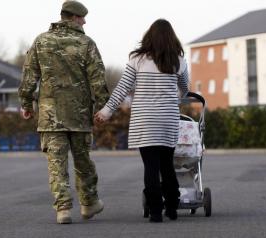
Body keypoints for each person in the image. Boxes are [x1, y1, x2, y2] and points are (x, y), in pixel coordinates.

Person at [18, 0, 109, 224]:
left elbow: (29, 76)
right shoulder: (86, 43)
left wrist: (26, 104)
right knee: (83, 161)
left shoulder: (41, 41)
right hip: (79, 115)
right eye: (82, 17)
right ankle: (89, 204)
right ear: (73, 17)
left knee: (56, 165)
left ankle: (63, 210)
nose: (85, 21)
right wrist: (104, 107)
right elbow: (97, 78)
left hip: (50, 117)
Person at [95, 19, 190, 222]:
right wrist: (175, 96)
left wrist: (106, 111)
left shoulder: (137, 60)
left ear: (149, 37)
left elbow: (122, 88)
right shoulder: (179, 61)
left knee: (151, 166)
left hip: (145, 120)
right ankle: (172, 207)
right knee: (167, 164)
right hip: (168, 120)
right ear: (172, 38)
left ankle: (156, 211)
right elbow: (185, 88)